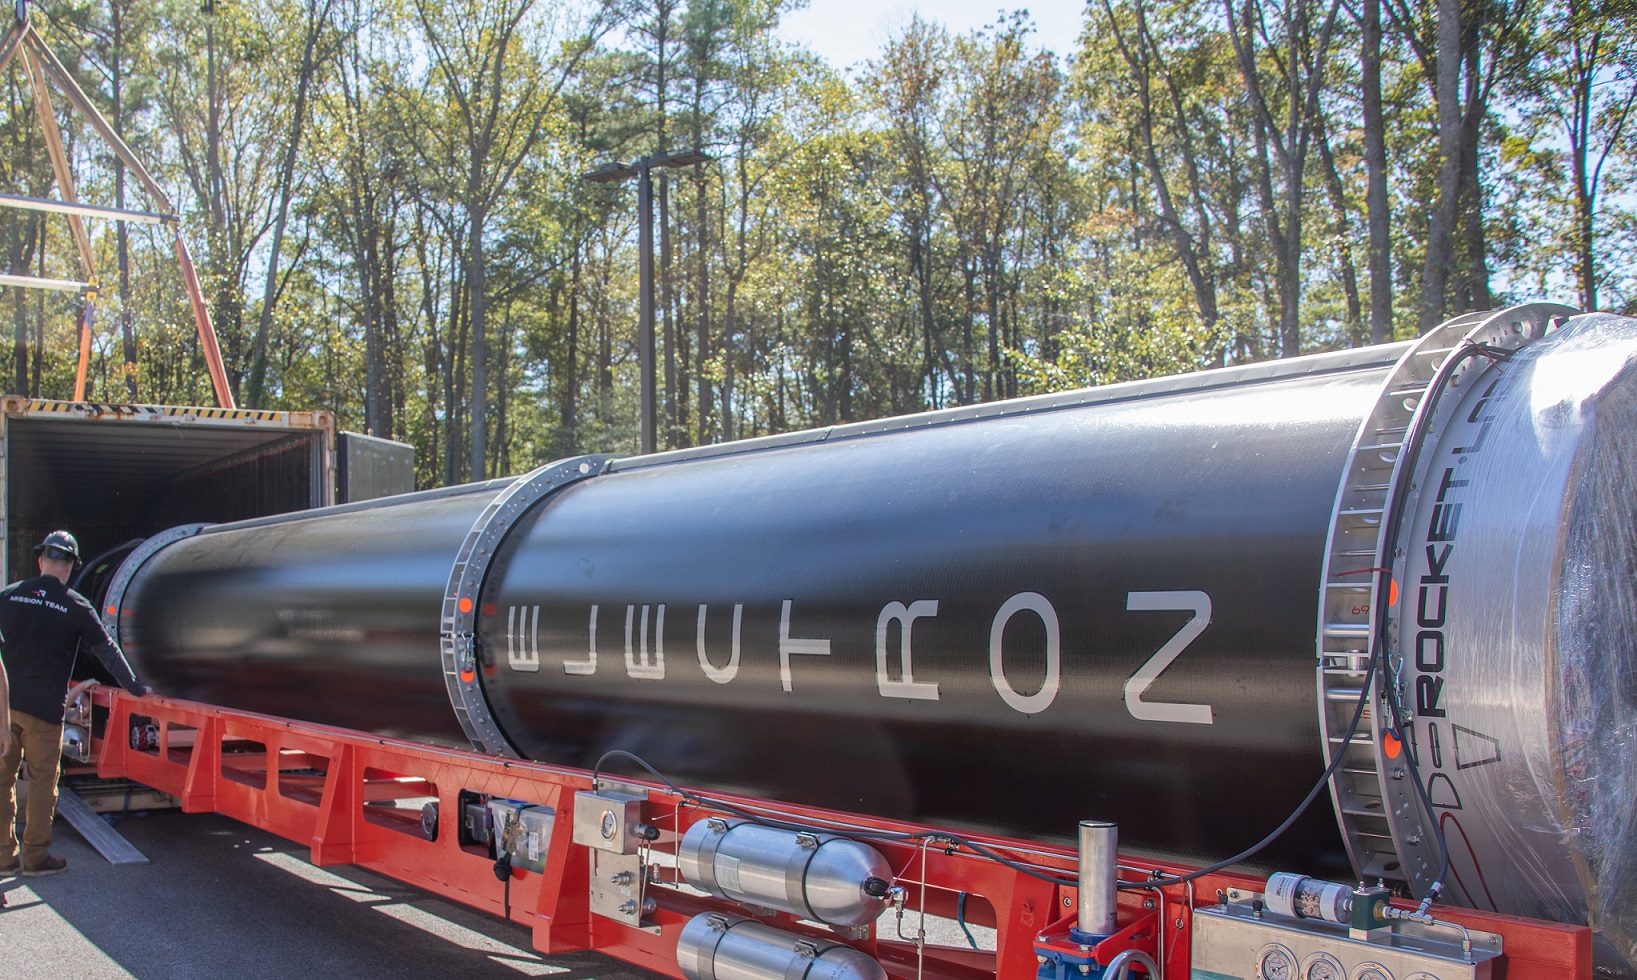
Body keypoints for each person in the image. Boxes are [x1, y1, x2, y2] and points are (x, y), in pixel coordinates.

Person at [0, 530, 149, 877]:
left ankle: (4, 856)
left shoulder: (8, 595)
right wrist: (136, 687)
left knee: (2, 780)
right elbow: (107, 651)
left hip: (3, 708)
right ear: (69, 567)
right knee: (41, 783)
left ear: (41, 561)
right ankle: (36, 858)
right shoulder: (76, 605)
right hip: (44, 712)